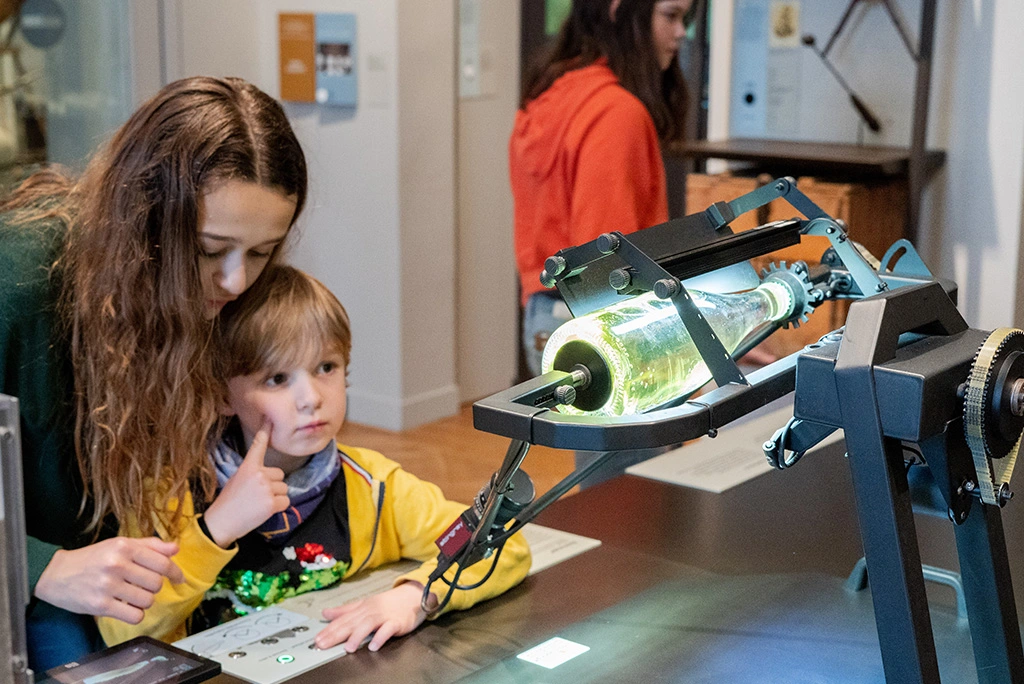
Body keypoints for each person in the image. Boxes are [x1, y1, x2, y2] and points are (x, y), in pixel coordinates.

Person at [0, 76, 308, 671]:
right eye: (207, 249)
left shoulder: (220, 300)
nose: (237, 282)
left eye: (263, 251)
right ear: (140, 219)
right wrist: (43, 565)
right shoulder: (18, 278)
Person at [97, 265, 532, 653]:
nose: (311, 399)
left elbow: (501, 543)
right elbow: (121, 629)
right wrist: (218, 528)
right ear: (221, 394)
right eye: (277, 378)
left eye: (326, 367)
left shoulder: (374, 485)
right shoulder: (170, 495)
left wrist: (418, 594)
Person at [509, 0, 691, 487]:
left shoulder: (548, 98)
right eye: (670, 16)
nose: (680, 33)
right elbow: (611, 268)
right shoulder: (616, 114)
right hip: (606, 326)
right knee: (638, 502)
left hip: (545, 319)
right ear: (620, 11)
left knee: (607, 495)